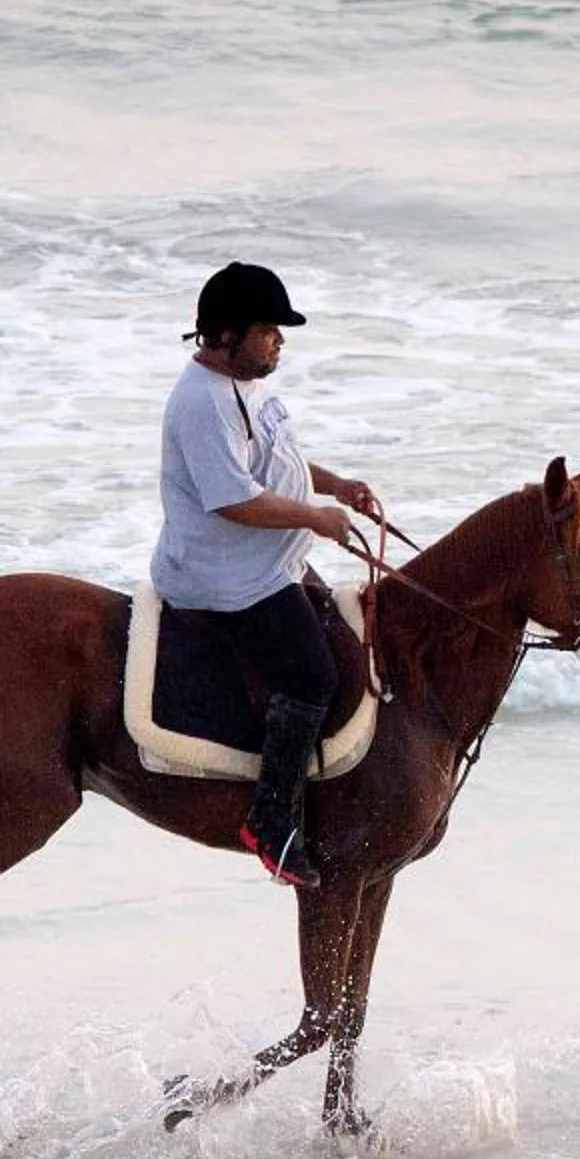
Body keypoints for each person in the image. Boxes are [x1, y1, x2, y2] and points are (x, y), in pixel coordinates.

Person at [153, 262, 384, 888]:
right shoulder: (201, 403)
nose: (280, 340)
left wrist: (334, 485)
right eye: (268, 330)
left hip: (269, 559)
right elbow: (235, 500)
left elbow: (274, 456)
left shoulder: (248, 382)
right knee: (312, 675)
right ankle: (271, 821)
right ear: (226, 335)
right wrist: (316, 516)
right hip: (226, 576)